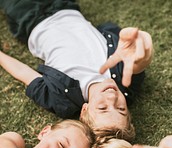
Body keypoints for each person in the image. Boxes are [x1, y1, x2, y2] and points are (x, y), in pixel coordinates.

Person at [0, 0, 153, 140]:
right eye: (121, 108)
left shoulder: (61, 100)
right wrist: (143, 52)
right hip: (66, 7)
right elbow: (140, 62)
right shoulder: (125, 79)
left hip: (30, 19)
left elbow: (23, 72)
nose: (112, 99)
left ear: (84, 110)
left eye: (102, 108)